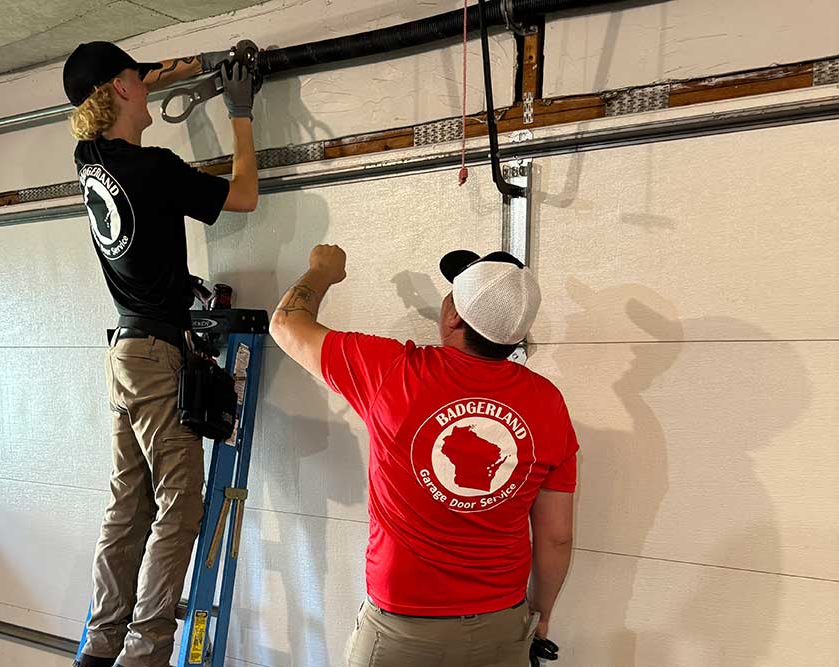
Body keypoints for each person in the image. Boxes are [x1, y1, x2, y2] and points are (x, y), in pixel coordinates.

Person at [269, 245, 578, 667]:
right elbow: (556, 536)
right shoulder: (549, 403)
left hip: (402, 631)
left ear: (453, 318)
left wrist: (321, 271)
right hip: (501, 627)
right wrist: (538, 618)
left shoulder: (393, 371)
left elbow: (287, 323)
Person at [62, 40, 259, 667]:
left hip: (123, 350)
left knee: (128, 502)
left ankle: (101, 644)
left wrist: (191, 67)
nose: (148, 87)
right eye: (137, 80)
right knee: (182, 500)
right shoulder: (153, 169)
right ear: (120, 89)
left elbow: (138, 83)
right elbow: (245, 194)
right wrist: (240, 109)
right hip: (153, 353)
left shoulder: (88, 156)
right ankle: (146, 652)